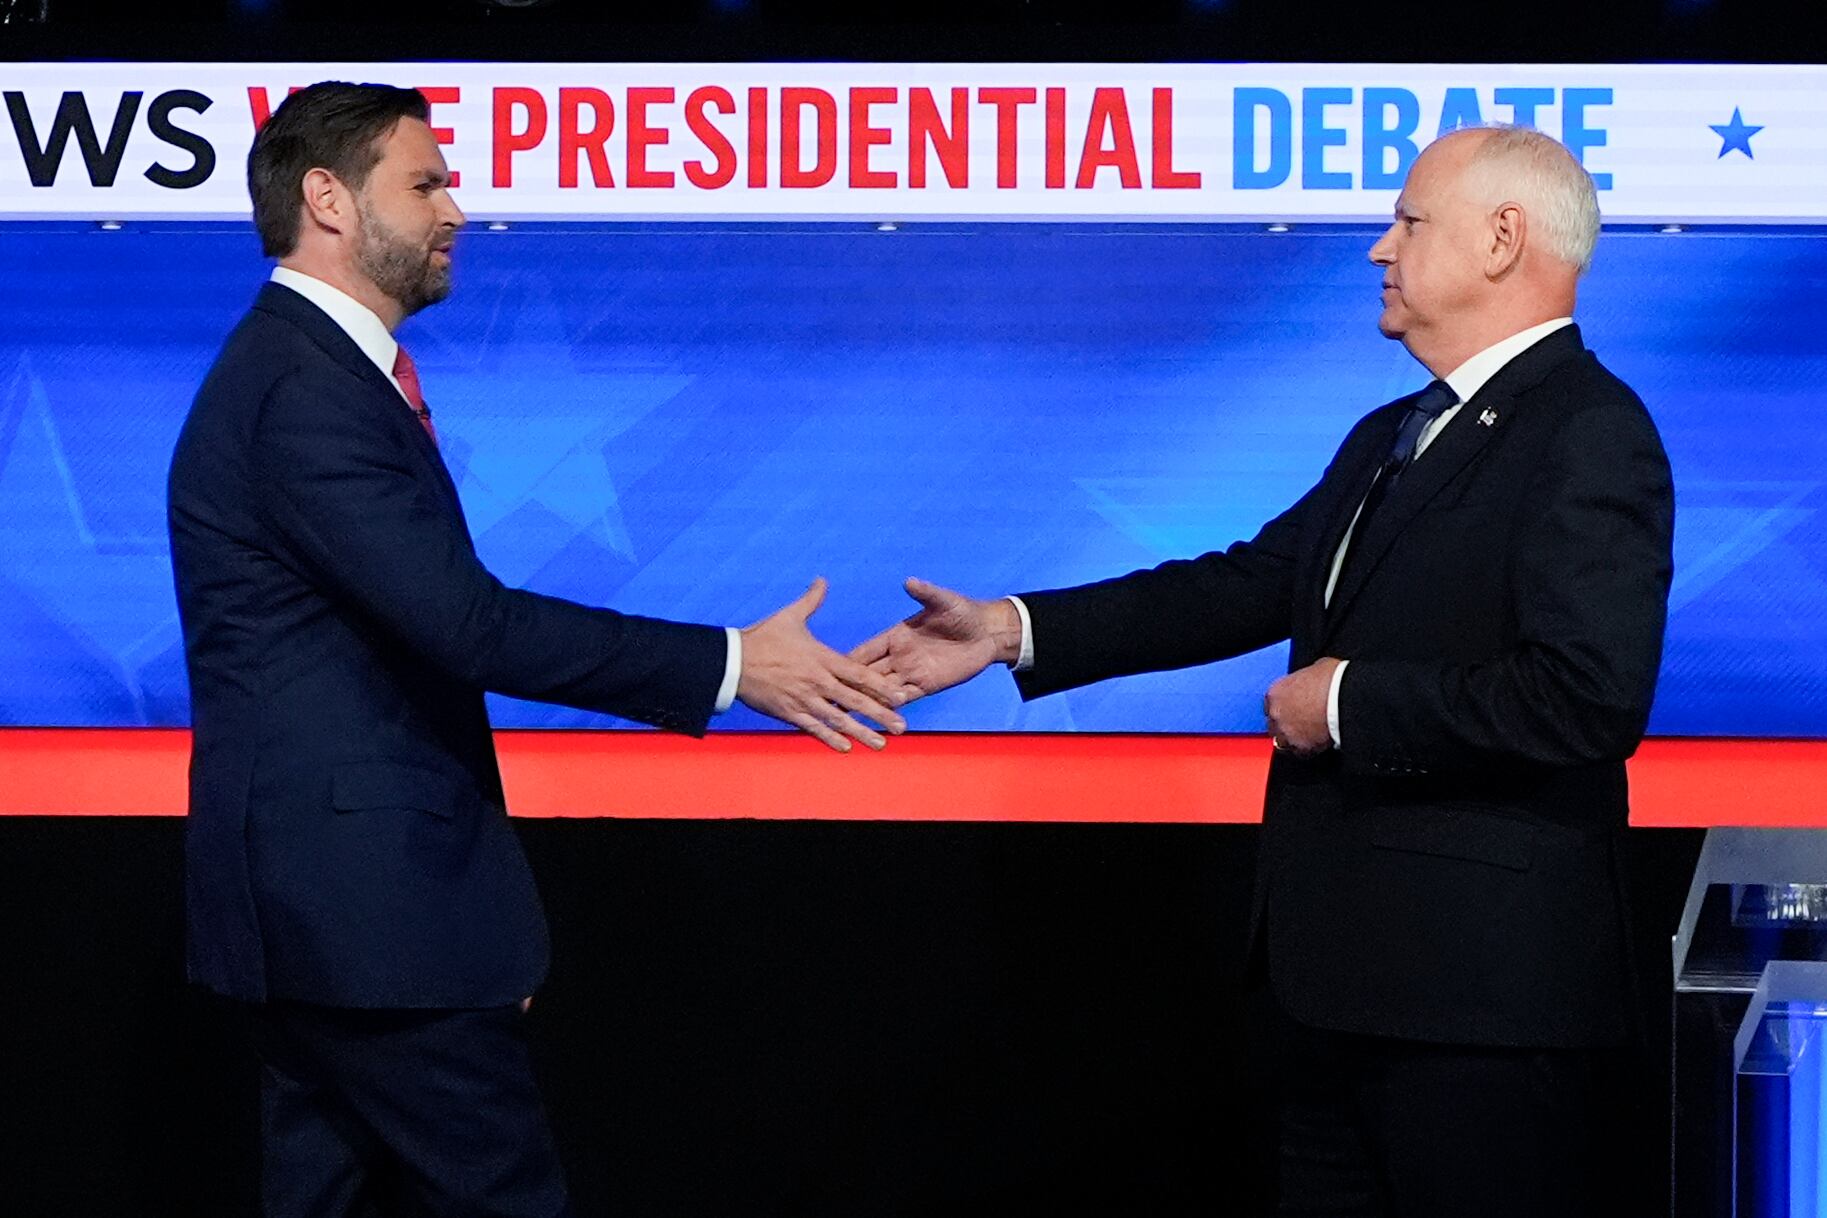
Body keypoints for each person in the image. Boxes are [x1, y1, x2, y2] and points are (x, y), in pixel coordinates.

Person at [854, 125, 1673, 1215]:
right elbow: (1247, 583)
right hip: (1338, 995)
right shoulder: (1395, 429)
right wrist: (1011, 630)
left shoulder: (1587, 431)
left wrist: (1343, 702)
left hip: (1480, 1010)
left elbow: (1587, 696)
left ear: (1502, 239)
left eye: (1410, 221)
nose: (1381, 248)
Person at [167, 81, 904, 1218]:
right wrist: (729, 665)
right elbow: (467, 623)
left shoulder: (304, 373)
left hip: (335, 923)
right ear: (327, 198)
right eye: (425, 184)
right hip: (368, 928)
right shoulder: (303, 391)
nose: (456, 210)